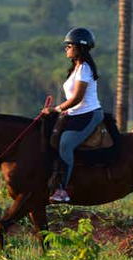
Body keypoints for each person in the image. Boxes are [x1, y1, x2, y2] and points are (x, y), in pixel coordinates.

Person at [42, 27, 104, 203]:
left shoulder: (84, 68)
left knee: (66, 144)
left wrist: (56, 109)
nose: (66, 48)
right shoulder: (75, 68)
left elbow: (77, 97)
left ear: (79, 47)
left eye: (69, 45)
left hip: (88, 113)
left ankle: (62, 189)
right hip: (74, 113)